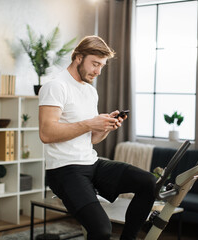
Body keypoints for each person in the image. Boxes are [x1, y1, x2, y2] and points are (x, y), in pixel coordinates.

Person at [38, 35, 156, 240]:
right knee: (101, 230)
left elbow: (90, 139)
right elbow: (46, 134)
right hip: (64, 170)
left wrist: (106, 127)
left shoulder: (91, 92)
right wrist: (89, 123)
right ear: (78, 58)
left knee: (148, 182)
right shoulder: (55, 86)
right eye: (94, 64)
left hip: (91, 162)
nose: (98, 71)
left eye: (102, 65)